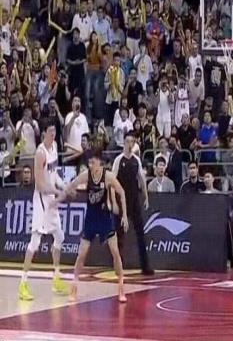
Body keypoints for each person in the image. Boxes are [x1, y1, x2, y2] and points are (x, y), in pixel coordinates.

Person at [55, 149, 129, 302]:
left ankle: (121, 286)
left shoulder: (108, 176)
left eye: (93, 162)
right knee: (81, 254)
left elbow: (122, 192)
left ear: (99, 163)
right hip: (90, 219)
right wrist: (62, 197)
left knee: (115, 253)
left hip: (105, 219)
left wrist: (125, 216)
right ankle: (74, 286)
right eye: (89, 162)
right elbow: (71, 185)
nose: (90, 165)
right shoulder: (86, 175)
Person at [18, 122, 68, 300]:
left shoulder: (54, 148)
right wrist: (57, 191)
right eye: (50, 131)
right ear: (44, 133)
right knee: (35, 243)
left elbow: (54, 174)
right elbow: (39, 184)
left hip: (51, 199)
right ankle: (23, 284)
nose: (53, 134)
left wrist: (64, 186)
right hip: (41, 200)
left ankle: (56, 278)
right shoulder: (40, 153)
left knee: (60, 237)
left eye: (55, 131)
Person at [112, 131, 153, 275]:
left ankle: (145, 266)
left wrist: (146, 196)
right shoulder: (118, 160)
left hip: (134, 199)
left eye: (132, 142)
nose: (130, 144)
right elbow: (112, 181)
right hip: (121, 200)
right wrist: (114, 202)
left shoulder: (136, 160)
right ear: (124, 143)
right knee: (119, 234)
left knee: (140, 232)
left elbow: (141, 179)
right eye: (128, 141)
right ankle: (118, 265)